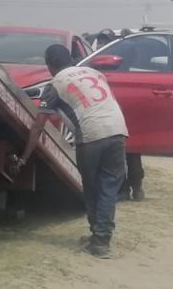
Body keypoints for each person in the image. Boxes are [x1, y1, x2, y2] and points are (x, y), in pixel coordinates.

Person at [40, 44, 129, 258]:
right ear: (70, 59)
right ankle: (102, 238)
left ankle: (98, 240)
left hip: (90, 137)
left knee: (91, 188)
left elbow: (39, 121)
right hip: (118, 130)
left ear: (50, 66)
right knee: (108, 188)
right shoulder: (95, 72)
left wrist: (26, 152)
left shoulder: (55, 83)